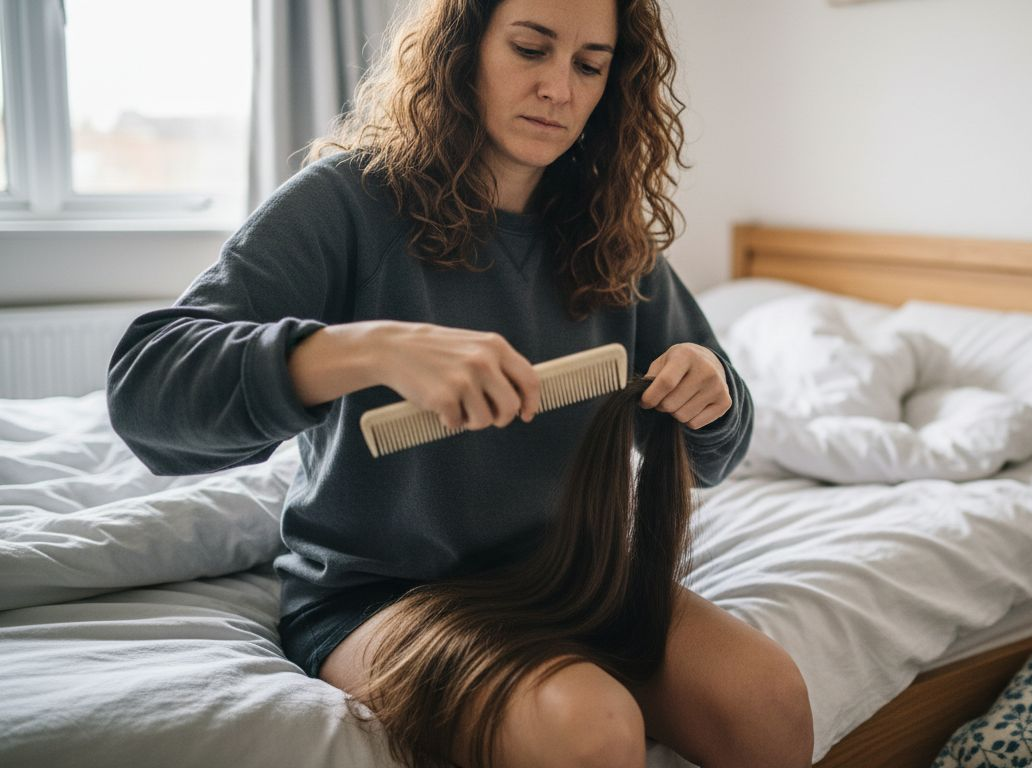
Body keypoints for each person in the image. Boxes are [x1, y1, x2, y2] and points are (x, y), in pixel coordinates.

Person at [105, 0, 813, 766]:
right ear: (462, 48)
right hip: (382, 596)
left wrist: (713, 394)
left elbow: (717, 449)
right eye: (531, 49)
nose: (559, 89)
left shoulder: (611, 236)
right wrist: (367, 350)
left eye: (588, 65)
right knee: (590, 724)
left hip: (577, 579)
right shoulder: (348, 201)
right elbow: (147, 387)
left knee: (769, 698)